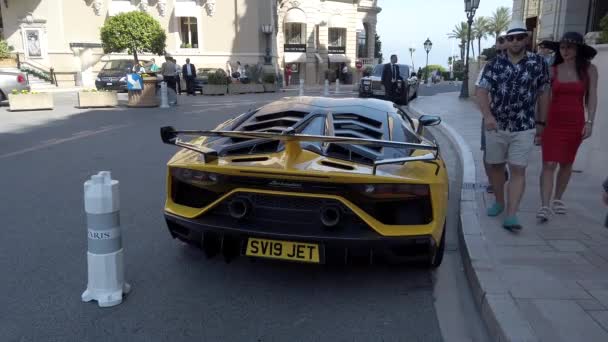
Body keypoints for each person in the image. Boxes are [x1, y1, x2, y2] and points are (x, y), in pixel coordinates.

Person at [476, 20, 551, 230]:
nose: (515, 41)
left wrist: (541, 122)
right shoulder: (494, 64)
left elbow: (544, 93)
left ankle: (511, 214)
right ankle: (499, 202)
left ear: (526, 39)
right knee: (496, 166)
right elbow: (481, 91)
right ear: (506, 41)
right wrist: (488, 116)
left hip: (524, 126)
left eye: (520, 37)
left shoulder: (538, 63)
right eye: (511, 38)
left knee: (518, 168)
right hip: (497, 125)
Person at [536, 32, 599, 222]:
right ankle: (545, 205)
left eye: (569, 47)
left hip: (575, 122)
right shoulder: (552, 69)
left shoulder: (590, 70)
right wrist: (540, 124)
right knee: (548, 163)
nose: (565, 51)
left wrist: (590, 122)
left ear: (578, 49)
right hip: (553, 122)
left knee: (566, 163)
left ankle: (557, 199)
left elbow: (592, 97)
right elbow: (544, 97)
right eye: (562, 47)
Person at [478, 34, 509, 194]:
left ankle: (501, 175)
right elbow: (480, 91)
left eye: (505, 52)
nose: (502, 55)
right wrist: (487, 113)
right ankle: (492, 182)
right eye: (499, 52)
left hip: (513, 120)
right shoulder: (489, 67)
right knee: (488, 151)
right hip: (492, 116)